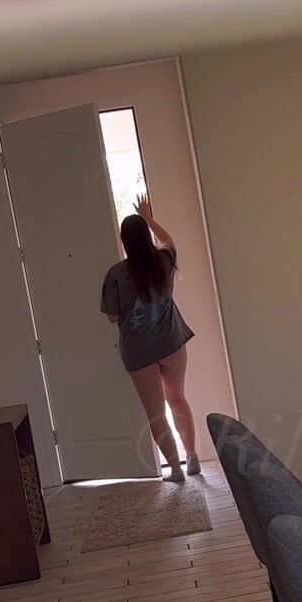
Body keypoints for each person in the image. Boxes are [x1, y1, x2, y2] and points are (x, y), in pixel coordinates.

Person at [100, 198, 200, 482]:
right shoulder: (164, 261)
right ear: (146, 236)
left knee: (156, 413)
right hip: (171, 343)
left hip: (138, 352)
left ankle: (176, 469)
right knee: (177, 399)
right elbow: (169, 241)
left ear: (124, 241)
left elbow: (112, 316)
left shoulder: (116, 274)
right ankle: (192, 456)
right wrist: (148, 217)